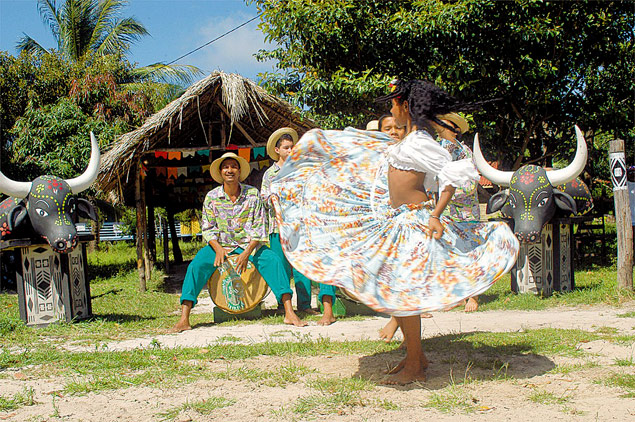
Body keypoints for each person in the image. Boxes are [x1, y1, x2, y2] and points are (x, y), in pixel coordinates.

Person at [271, 80, 519, 384]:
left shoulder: (421, 142)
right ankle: (416, 357)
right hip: (397, 220)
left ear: (405, 107)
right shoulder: (407, 141)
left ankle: (415, 363)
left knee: (403, 293)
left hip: (414, 222)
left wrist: (437, 215)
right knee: (393, 290)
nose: (389, 109)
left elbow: (453, 175)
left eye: (393, 104)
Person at [169, 152, 306, 333]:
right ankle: (184, 318)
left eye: (233, 166)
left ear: (239, 171)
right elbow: (208, 228)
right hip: (221, 245)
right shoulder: (212, 197)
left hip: (249, 245)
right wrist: (217, 249)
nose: (230, 170)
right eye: (226, 167)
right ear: (221, 172)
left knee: (273, 261)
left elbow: (259, 227)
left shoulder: (252, 194)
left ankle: (289, 312)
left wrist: (247, 252)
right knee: (196, 266)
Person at [261, 128, 338, 326]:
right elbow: (264, 198)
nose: (290, 150)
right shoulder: (270, 174)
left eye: (292, 147)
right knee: (282, 266)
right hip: (278, 228)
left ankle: (304, 304)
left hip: (301, 227)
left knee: (302, 267)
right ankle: (283, 305)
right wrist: (273, 199)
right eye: (286, 147)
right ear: (277, 150)